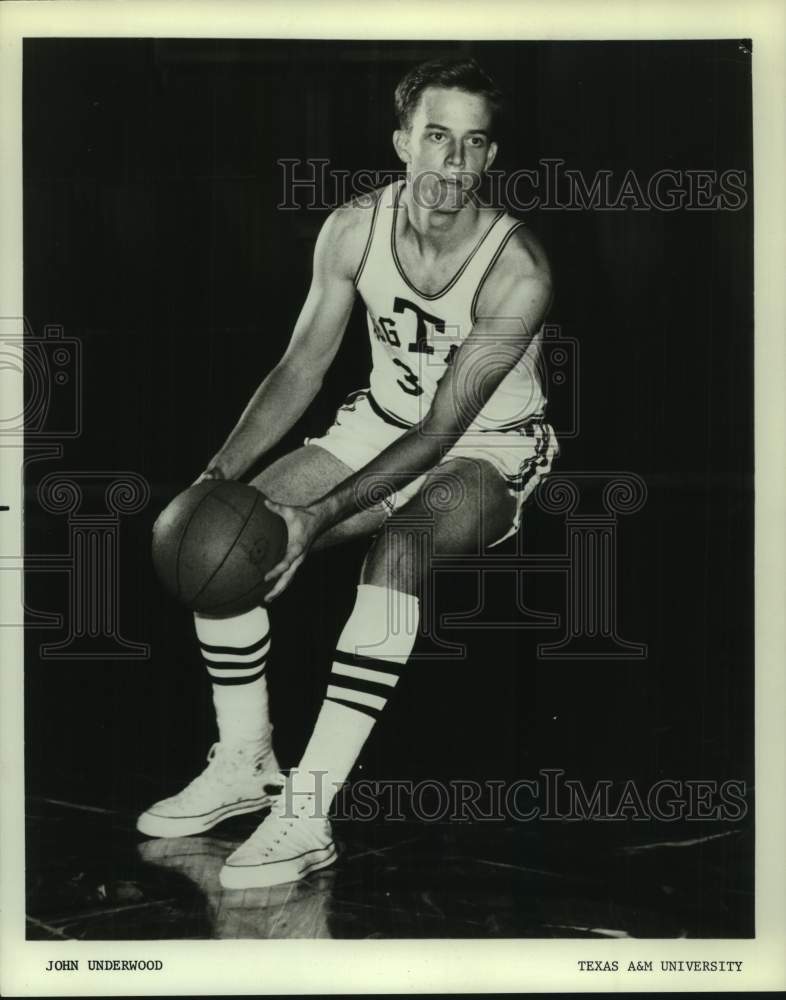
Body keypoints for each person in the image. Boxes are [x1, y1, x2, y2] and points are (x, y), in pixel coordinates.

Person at [137, 56, 559, 890]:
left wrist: (322, 513)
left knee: (399, 546)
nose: (453, 163)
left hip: (490, 446)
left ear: (491, 158)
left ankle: (308, 810)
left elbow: (444, 427)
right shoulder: (353, 229)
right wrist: (218, 475)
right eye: (437, 137)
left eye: (474, 145)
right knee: (228, 527)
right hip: (377, 424)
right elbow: (302, 368)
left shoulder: (520, 271)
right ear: (402, 140)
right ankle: (246, 761)